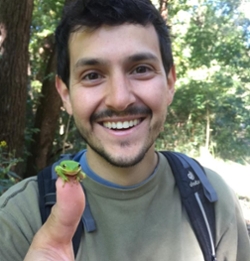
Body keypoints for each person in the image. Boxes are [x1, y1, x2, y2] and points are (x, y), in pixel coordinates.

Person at [0, 0, 249, 260]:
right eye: (92, 75)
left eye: (141, 69)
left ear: (170, 83)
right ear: (65, 95)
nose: (119, 100)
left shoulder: (214, 202)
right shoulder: (17, 221)